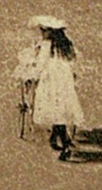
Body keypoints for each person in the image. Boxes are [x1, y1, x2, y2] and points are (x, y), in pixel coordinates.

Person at [14, 18, 84, 160]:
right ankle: (55, 137)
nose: (42, 33)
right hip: (64, 81)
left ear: (49, 32)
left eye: (43, 31)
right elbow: (74, 61)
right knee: (60, 110)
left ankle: (65, 145)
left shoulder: (47, 45)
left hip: (51, 81)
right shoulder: (66, 44)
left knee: (55, 110)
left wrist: (30, 75)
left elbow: (40, 64)